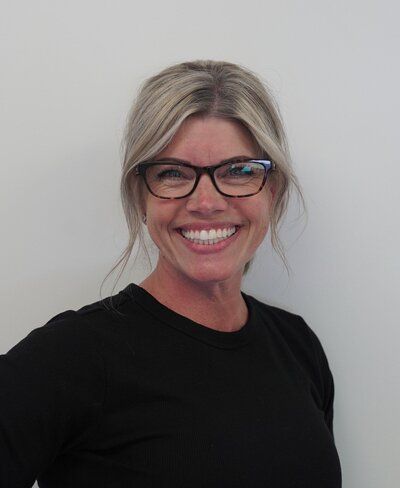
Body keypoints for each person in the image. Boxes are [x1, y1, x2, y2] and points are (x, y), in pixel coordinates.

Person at [0, 60, 342, 487]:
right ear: (141, 196)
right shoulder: (71, 358)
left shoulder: (298, 346)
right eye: (173, 173)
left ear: (272, 190)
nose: (206, 202)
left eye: (238, 171)